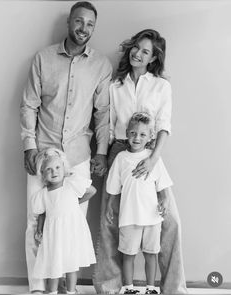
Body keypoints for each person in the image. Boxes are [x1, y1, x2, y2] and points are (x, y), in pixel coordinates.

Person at [20, 1, 112, 293]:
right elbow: (29, 105)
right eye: (79, 21)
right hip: (43, 155)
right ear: (69, 22)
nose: (84, 28)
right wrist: (29, 146)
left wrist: (100, 152)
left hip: (78, 158)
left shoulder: (101, 65)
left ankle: (65, 288)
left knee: (71, 227)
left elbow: (103, 114)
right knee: (37, 222)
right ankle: (38, 287)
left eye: (90, 24)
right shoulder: (43, 58)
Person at [93, 29, 187, 294]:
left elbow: (164, 126)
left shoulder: (161, 86)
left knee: (169, 220)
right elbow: (108, 126)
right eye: (136, 47)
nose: (138, 53)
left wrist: (153, 159)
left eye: (145, 51)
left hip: (149, 153)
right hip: (119, 152)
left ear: (153, 58)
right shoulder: (115, 85)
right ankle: (112, 287)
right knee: (112, 221)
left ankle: (172, 287)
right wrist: (102, 154)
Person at [106, 112, 173, 295]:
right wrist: (110, 205)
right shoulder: (121, 159)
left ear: (150, 137)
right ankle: (128, 288)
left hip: (152, 217)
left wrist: (165, 200)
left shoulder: (153, 158)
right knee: (128, 254)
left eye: (143, 134)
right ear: (127, 133)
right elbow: (113, 187)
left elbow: (163, 185)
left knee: (151, 254)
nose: (137, 137)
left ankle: (151, 288)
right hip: (129, 217)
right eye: (134, 133)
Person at [31, 148, 96, 295]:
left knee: (71, 265)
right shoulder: (44, 193)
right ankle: (52, 291)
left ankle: (71, 292)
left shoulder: (70, 184)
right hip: (54, 234)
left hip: (71, 231)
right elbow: (42, 213)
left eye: (58, 167)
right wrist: (39, 229)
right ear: (43, 173)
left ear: (64, 167)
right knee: (54, 266)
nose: (54, 172)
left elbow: (92, 191)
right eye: (49, 169)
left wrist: (75, 201)